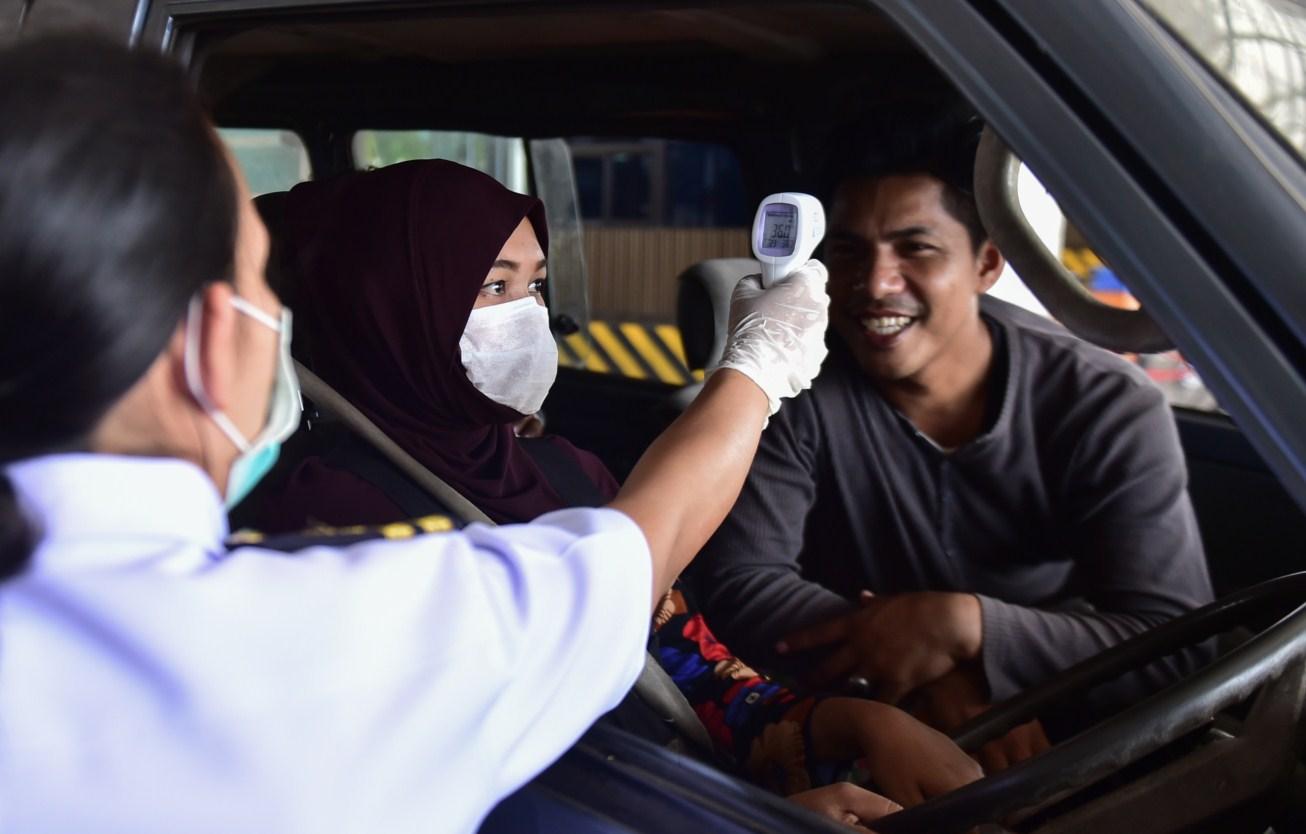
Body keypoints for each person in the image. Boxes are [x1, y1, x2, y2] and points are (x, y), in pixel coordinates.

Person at [0, 36, 833, 833]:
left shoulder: (548, 473)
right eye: (260, 278)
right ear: (215, 332)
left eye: (533, 286)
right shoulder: (339, 620)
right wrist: (758, 365)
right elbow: (621, 569)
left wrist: (817, 724)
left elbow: (655, 620)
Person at [255, 159, 981, 814]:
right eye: (492, 286)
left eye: (535, 285)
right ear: (391, 305)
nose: (526, 315)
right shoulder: (322, 524)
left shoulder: (569, 473)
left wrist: (848, 723)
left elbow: (688, 676)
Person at [689, 119, 1214, 766]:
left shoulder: (1103, 404)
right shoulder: (797, 387)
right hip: (855, 718)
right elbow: (742, 582)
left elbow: (1174, 643)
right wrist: (926, 680)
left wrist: (966, 628)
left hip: (1057, 727)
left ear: (986, 263)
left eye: (916, 249)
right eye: (851, 252)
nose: (876, 283)